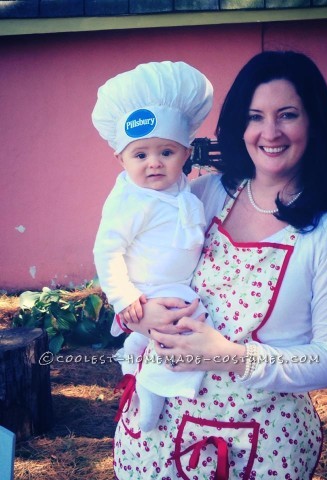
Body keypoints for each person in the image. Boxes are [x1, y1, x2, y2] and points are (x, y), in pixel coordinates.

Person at [112, 51, 327, 480]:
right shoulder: (203, 195)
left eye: (287, 115)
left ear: (313, 122)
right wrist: (140, 314)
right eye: (254, 116)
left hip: (259, 446)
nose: (270, 132)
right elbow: (129, 256)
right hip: (157, 434)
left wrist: (233, 357)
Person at [92, 61, 214, 432]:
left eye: (167, 152)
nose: (154, 164)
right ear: (121, 159)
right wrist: (124, 296)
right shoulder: (131, 201)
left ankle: (133, 355)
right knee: (186, 329)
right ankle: (152, 387)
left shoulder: (182, 188)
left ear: (186, 153)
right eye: (140, 155)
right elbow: (106, 249)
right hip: (149, 291)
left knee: (162, 335)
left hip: (174, 283)